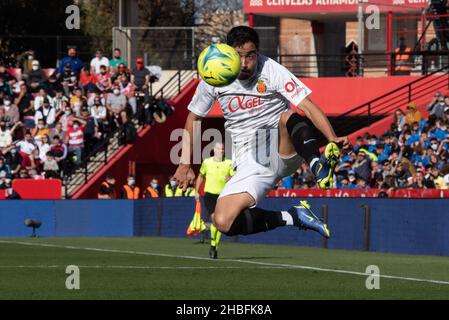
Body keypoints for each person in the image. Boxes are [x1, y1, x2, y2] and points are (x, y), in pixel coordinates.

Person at [174, 26, 348, 242]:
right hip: (250, 160)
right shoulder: (215, 76)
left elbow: (308, 106)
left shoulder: (271, 70)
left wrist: (332, 137)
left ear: (258, 53)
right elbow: (194, 117)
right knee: (222, 220)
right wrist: (184, 163)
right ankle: (294, 216)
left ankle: (316, 164)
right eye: (239, 56)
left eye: (251, 55)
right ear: (229, 53)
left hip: (281, 146)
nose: (245, 63)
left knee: (287, 115)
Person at [194, 142, 234, 259]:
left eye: (222, 149)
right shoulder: (207, 162)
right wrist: (196, 191)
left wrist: (231, 177)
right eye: (218, 148)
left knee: (220, 223)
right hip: (210, 196)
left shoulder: (228, 163)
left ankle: (214, 247)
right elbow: (201, 176)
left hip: (223, 195)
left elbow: (234, 176)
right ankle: (213, 244)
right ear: (214, 150)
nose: (220, 151)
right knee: (214, 219)